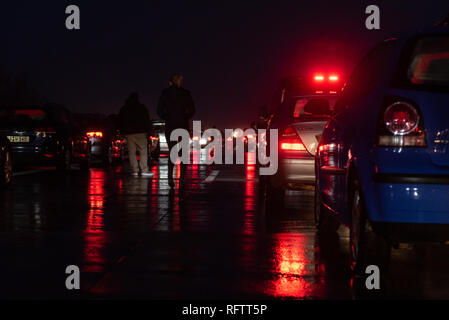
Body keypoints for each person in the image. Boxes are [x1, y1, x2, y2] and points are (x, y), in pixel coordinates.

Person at [157, 74, 195, 188]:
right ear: (179, 82)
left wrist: (167, 117)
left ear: (170, 82)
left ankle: (170, 177)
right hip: (183, 125)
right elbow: (193, 110)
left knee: (172, 152)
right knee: (183, 153)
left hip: (171, 125)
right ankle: (182, 178)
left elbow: (159, 110)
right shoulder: (186, 93)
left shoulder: (165, 93)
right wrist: (185, 116)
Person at [119, 92, 154, 177]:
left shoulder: (124, 108)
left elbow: (120, 121)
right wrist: (148, 131)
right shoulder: (142, 107)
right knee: (143, 151)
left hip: (129, 133)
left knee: (132, 152)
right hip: (141, 132)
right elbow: (146, 120)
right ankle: (144, 169)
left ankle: (134, 170)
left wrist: (122, 132)